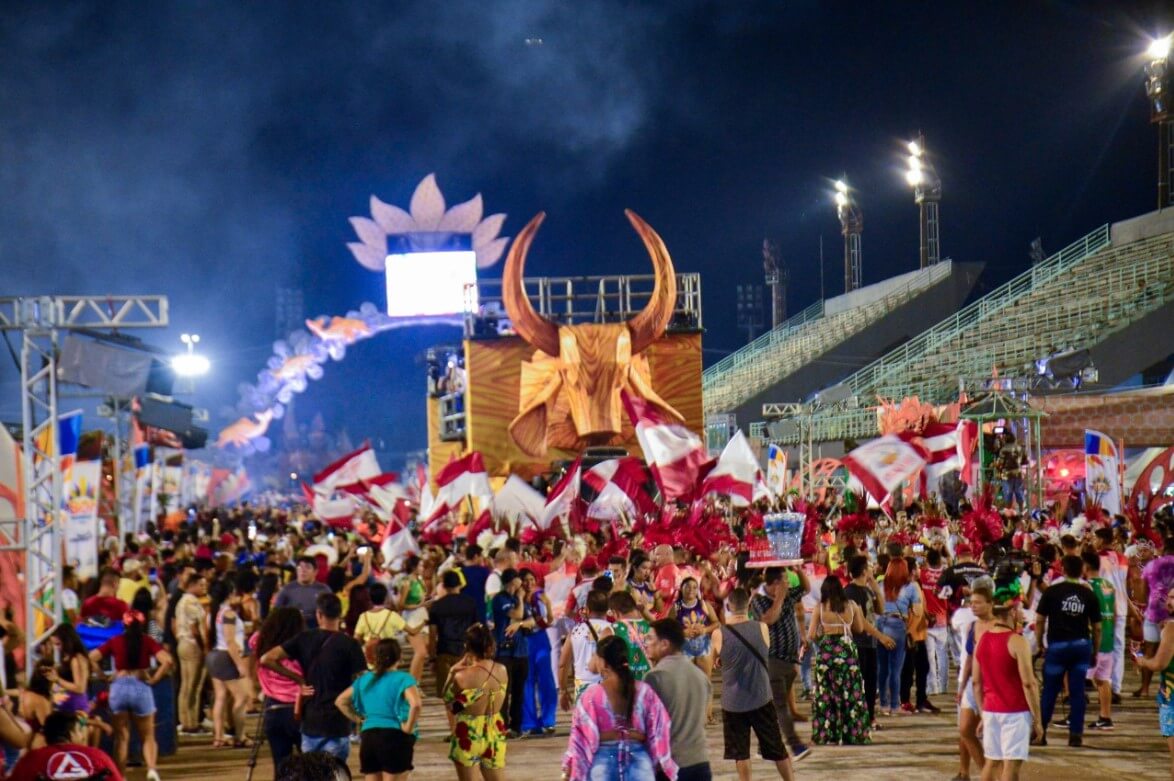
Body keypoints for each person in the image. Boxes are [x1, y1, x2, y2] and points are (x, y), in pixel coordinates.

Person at [261, 592, 368, 762]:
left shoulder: (303, 639)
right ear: (340, 615)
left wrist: (298, 680)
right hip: (338, 722)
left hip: (311, 722)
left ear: (319, 614)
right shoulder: (350, 644)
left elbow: (267, 659)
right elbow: (363, 680)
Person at [563, 635, 678, 781]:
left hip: (602, 768)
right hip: (640, 766)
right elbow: (660, 729)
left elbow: (579, 739)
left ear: (604, 663)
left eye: (595, 656)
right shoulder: (644, 692)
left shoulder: (591, 696)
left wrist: (570, 771)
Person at [712, 588, 796, 781]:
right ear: (748, 606)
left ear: (729, 606)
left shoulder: (719, 633)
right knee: (777, 748)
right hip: (761, 697)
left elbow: (720, 658)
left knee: (741, 753)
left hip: (733, 702)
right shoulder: (762, 628)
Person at [89, 608, 173, 781]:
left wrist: (103, 676)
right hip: (141, 685)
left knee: (121, 737)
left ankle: (121, 776)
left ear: (124, 624)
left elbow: (92, 657)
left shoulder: (115, 640)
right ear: (142, 624)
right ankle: (151, 770)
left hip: (119, 687)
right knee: (148, 735)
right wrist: (155, 678)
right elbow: (167, 660)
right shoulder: (147, 641)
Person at [971, 582, 1043, 781]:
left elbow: (976, 682)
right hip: (1015, 712)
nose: (1021, 614)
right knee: (1011, 766)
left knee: (992, 762)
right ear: (1011, 612)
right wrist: (1038, 720)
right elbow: (1029, 683)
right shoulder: (1018, 642)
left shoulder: (982, 640)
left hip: (991, 710)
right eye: (1019, 609)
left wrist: (983, 712)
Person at [1034, 554, 1100, 747]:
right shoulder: (1088, 593)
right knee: (1077, 691)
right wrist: (1094, 651)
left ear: (1063, 569)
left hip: (1058, 645)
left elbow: (1039, 620)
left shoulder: (1052, 591)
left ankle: (1041, 732)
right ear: (1082, 571)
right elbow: (1096, 627)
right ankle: (1076, 734)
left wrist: (1040, 644)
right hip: (1081, 645)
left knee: (1050, 692)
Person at [336, 638, 422, 781]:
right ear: (399, 656)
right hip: (395, 737)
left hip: (369, 738)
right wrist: (408, 727)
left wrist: (359, 719)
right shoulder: (404, 679)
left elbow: (340, 701)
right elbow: (416, 704)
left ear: (375, 657)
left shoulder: (364, 680)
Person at [748, 566, 810, 759]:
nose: (787, 583)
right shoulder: (758, 601)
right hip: (772, 659)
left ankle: (763, 745)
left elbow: (805, 589)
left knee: (773, 706)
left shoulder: (788, 593)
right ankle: (795, 745)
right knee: (781, 705)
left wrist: (798, 570)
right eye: (784, 580)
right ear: (774, 584)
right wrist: (780, 598)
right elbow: (769, 619)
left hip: (789, 660)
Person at [805, 577, 874, 745]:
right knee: (851, 693)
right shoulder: (852, 606)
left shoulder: (820, 608)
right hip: (847, 652)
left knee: (826, 695)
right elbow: (859, 628)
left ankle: (826, 734)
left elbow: (812, 634)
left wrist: (824, 635)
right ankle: (853, 733)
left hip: (827, 654)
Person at [645, 618, 712, 781]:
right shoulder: (701, 676)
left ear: (665, 644)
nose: (646, 643)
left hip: (671, 766)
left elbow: (648, 725)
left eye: (650, 638)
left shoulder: (656, 677)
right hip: (700, 763)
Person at [443, 624, 508, 780]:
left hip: (468, 731)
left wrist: (452, 671)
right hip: (495, 729)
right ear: (490, 645)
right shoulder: (502, 670)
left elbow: (448, 701)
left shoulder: (461, 676)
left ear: (468, 648)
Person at [249, 607, 305, 772]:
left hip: (273, 709)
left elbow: (255, 638)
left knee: (281, 766)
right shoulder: (300, 645)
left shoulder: (259, 642)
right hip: (299, 709)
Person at [5, 710, 124, 781]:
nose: (83, 736)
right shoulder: (98, 756)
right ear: (71, 734)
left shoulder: (32, 759)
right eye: (80, 731)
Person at [206, 577, 253, 748]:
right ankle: (240, 736)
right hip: (226, 656)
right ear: (230, 593)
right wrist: (240, 664)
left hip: (215, 655)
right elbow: (230, 641)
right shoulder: (228, 614)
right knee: (242, 697)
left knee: (220, 697)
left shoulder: (213, 612)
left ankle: (218, 737)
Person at [1133, 584, 1174, 780]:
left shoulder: (1172, 628)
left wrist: (1142, 661)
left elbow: (1159, 663)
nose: (1169, 602)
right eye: (1170, 597)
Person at [843, 554, 889, 727]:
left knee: (871, 682)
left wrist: (876, 589)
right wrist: (881, 636)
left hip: (870, 643)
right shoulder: (850, 592)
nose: (872, 569)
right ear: (863, 571)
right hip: (858, 643)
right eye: (869, 566)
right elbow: (860, 622)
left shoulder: (867, 590)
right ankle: (856, 718)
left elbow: (880, 609)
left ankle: (870, 717)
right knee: (857, 682)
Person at [955, 582, 995, 781]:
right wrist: (962, 685)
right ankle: (986, 773)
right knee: (965, 730)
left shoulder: (998, 626)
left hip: (992, 686)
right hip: (972, 685)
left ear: (990, 604)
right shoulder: (973, 626)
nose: (973, 606)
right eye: (971, 603)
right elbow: (970, 657)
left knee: (993, 738)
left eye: (978, 603)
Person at [490, 568, 535, 737]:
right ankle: (502, 725)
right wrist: (521, 600)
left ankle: (516, 726)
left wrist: (519, 625)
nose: (522, 583)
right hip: (504, 652)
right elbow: (517, 613)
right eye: (518, 579)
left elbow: (530, 621)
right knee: (504, 691)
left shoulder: (518, 598)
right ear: (511, 581)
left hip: (521, 651)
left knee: (519, 691)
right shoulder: (500, 599)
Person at [668, 577, 719, 721]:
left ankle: (707, 715)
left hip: (703, 644)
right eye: (688, 587)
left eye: (694, 587)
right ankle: (689, 716)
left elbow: (717, 623)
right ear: (681, 589)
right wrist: (682, 632)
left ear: (698, 590)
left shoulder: (704, 604)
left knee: (706, 680)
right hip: (684, 646)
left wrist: (705, 629)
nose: (691, 590)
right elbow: (668, 627)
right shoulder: (676, 607)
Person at [877, 556, 920, 717]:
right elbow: (918, 611)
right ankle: (895, 705)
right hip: (897, 624)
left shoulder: (880, 585)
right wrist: (910, 630)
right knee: (895, 670)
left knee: (882, 669)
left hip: (880, 624)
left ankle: (883, 704)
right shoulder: (910, 588)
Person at [428, 570, 481, 700]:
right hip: (466, 652)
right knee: (466, 692)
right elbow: (476, 628)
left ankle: (450, 718)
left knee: (446, 694)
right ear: (459, 585)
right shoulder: (470, 603)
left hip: (444, 651)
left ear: (444, 586)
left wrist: (432, 657)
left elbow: (432, 634)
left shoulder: (436, 606)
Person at [560, 589, 614, 708]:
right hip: (607, 691)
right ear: (608, 609)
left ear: (587, 609)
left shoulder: (575, 631)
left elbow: (563, 664)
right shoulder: (613, 630)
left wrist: (563, 691)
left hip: (582, 692)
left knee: (585, 726)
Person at [520, 568, 558, 736]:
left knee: (546, 682)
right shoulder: (517, 598)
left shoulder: (539, 596)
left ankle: (548, 720)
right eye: (525, 580)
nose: (529, 583)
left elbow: (549, 621)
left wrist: (548, 604)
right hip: (525, 642)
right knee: (526, 683)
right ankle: (529, 723)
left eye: (531, 579)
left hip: (541, 640)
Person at [1082, 550, 1117, 730]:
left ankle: (1075, 719)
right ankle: (1105, 717)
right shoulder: (1109, 585)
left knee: (1078, 680)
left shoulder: (1086, 587)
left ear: (1086, 566)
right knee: (1103, 680)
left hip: (1092, 642)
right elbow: (1115, 613)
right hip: (1108, 640)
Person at [172, 572, 208, 735]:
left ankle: (185, 720)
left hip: (182, 642)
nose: (204, 587)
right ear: (192, 585)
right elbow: (195, 629)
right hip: (193, 645)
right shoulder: (191, 602)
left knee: (186, 685)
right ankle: (191, 722)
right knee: (193, 685)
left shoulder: (181, 601)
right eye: (201, 584)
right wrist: (204, 647)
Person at [1139, 536, 1174, 698]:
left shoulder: (1152, 565)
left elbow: (1143, 589)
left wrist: (1147, 604)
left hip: (1154, 612)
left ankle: (1145, 689)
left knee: (1149, 651)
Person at [395, 554, 430, 683]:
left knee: (424, 654)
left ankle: (417, 683)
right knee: (420, 652)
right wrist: (418, 605)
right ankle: (410, 684)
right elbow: (401, 604)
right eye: (420, 565)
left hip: (422, 617)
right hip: (412, 619)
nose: (422, 567)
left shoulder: (419, 580)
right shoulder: (406, 582)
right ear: (414, 567)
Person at [45, 623, 91, 715]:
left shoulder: (76, 659)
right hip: (65, 706)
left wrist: (57, 679)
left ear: (67, 641)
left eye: (58, 644)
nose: (57, 648)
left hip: (75, 707)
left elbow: (80, 688)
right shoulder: (68, 657)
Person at [274, 555, 331, 628]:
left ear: (315, 571)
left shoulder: (324, 590)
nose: (303, 571)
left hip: (316, 628)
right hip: (293, 627)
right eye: (300, 567)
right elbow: (277, 612)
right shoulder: (287, 589)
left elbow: (330, 612)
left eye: (307, 567)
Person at [610, 590, 653, 680]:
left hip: (627, 683)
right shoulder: (650, 627)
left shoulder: (613, 629)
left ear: (615, 612)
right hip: (649, 681)